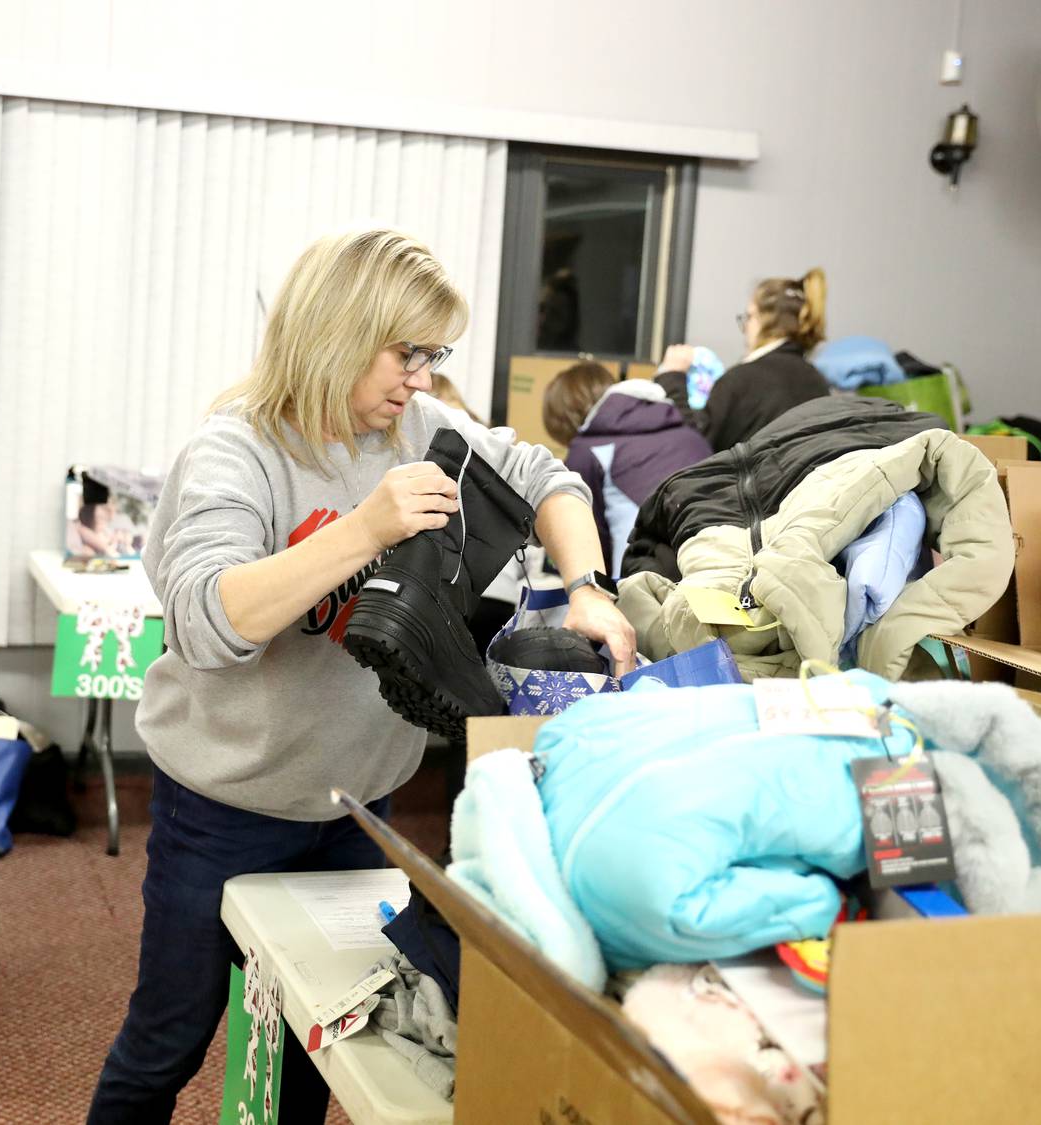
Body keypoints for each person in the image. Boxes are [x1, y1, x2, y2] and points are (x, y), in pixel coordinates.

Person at [87, 228, 635, 1125]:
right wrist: (363, 529)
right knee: (168, 1039)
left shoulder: (423, 429)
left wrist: (586, 587)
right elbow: (205, 619)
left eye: (434, 354)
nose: (421, 377)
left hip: (355, 809)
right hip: (223, 812)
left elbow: (547, 479)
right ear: (335, 332)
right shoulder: (235, 452)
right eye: (406, 352)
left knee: (315, 1047)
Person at [543, 362, 712, 575]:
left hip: (641, 586)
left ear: (563, 420)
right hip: (713, 574)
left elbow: (583, 550)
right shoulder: (691, 437)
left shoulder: (587, 452)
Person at [657, 268, 830, 452]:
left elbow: (693, 445)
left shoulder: (742, 380)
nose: (745, 327)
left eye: (748, 316)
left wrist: (672, 378)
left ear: (764, 320)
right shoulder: (818, 383)